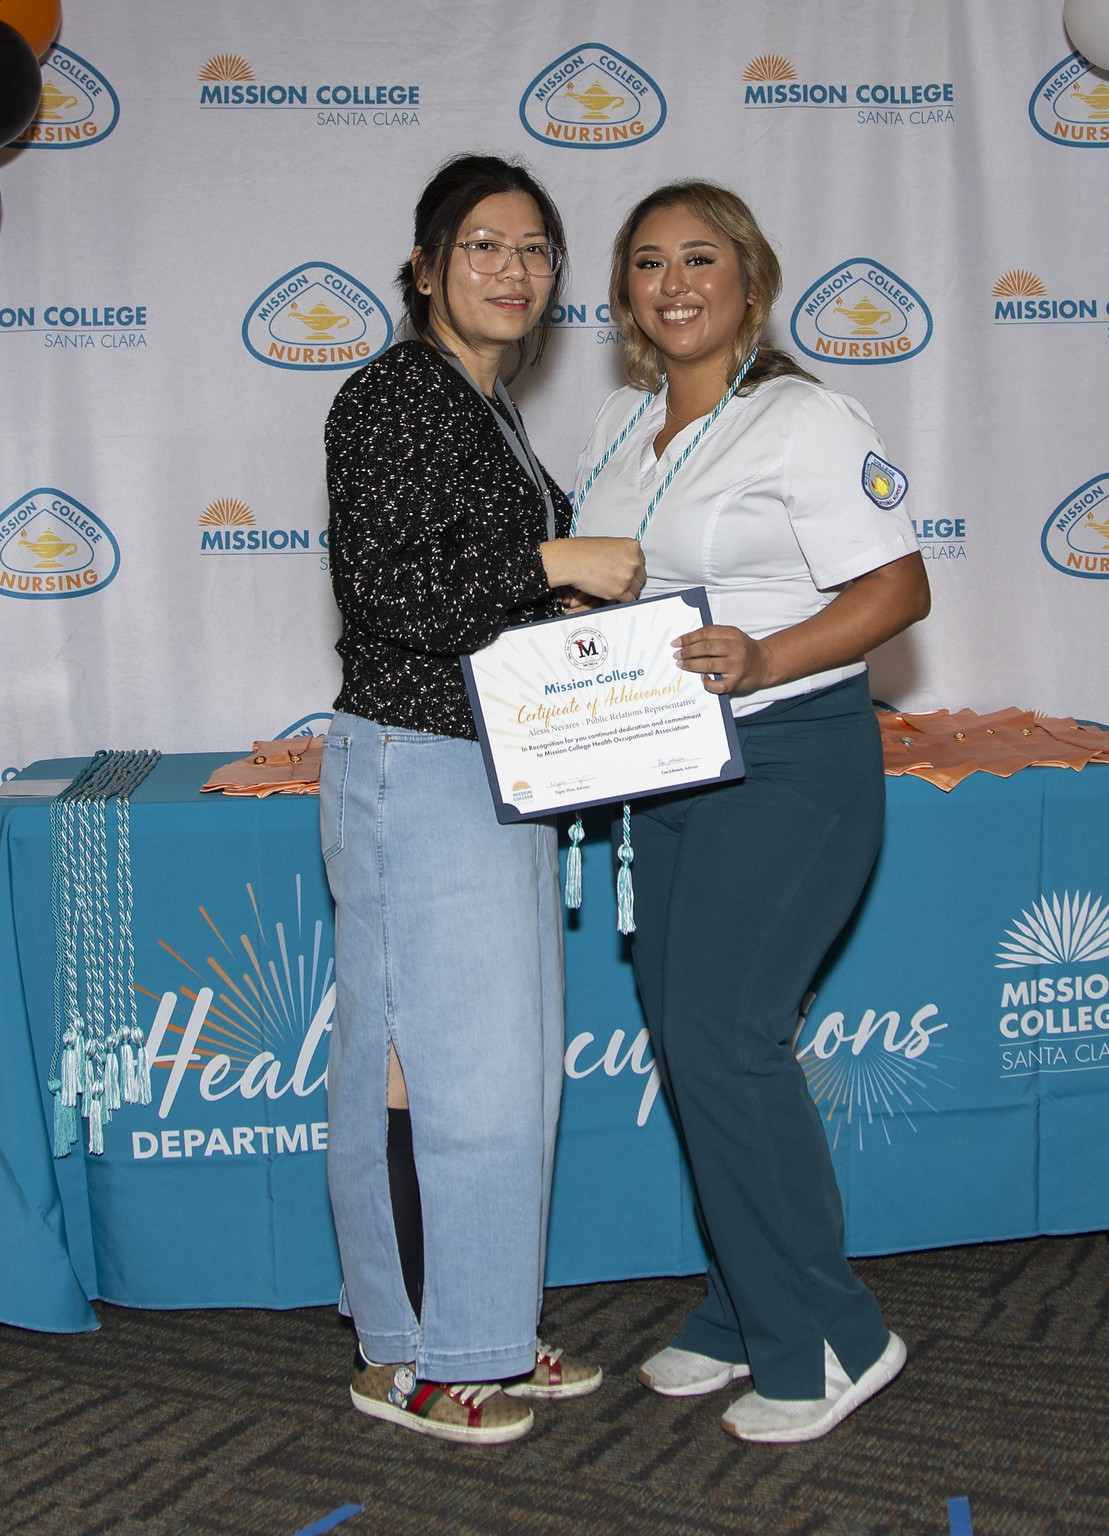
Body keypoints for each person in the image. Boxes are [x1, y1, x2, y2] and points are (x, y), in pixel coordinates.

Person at [568, 181, 931, 1444]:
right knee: (686, 1040)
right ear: (623, 295)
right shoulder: (618, 424)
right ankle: (740, 1309)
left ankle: (832, 1335)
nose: (673, 284)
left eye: (699, 258)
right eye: (647, 263)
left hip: (787, 758)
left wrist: (767, 656)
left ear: (751, 281)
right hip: (661, 765)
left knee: (725, 1035)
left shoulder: (803, 416)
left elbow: (898, 587)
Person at [319, 155, 645, 1445]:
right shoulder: (388, 394)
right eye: (482, 246)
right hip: (416, 761)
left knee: (497, 1069)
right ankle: (407, 1353)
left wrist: (568, 598)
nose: (513, 271)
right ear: (424, 267)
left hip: (496, 762)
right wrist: (553, 557)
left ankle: (485, 1326)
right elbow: (392, 590)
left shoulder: (484, 405)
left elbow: (493, 591)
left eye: (535, 250)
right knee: (420, 1064)